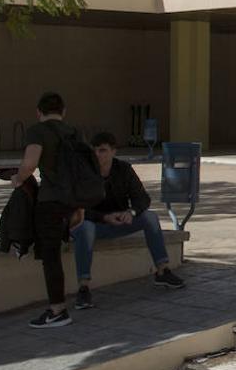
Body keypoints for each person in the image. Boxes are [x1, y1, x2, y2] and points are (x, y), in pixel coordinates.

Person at [70, 132, 184, 310]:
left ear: (113, 151)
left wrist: (131, 212)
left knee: (150, 217)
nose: (98, 155)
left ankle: (162, 271)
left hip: (119, 222)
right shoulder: (84, 172)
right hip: (92, 223)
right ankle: (83, 287)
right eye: (95, 151)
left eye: (103, 150)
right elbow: (76, 206)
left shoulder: (123, 169)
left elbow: (143, 199)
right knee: (85, 228)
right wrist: (103, 217)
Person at [10, 92, 81, 328]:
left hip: (49, 201)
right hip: (71, 201)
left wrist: (18, 179)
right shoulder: (74, 132)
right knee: (56, 253)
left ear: (38, 112)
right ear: (64, 111)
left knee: (50, 257)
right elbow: (82, 172)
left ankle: (57, 310)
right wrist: (79, 207)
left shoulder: (37, 131)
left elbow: (29, 164)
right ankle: (61, 306)